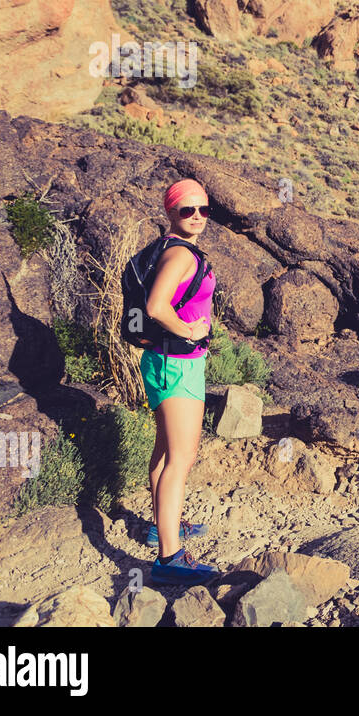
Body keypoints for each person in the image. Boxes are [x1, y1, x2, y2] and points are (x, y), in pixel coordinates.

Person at [143, 178, 219, 586]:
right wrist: (190, 331)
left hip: (162, 361)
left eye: (203, 210)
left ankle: (162, 527)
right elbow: (156, 306)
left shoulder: (169, 248)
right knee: (181, 460)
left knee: (165, 451)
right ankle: (169, 558)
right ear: (170, 212)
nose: (196, 217)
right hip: (179, 364)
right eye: (187, 210)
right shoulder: (181, 256)